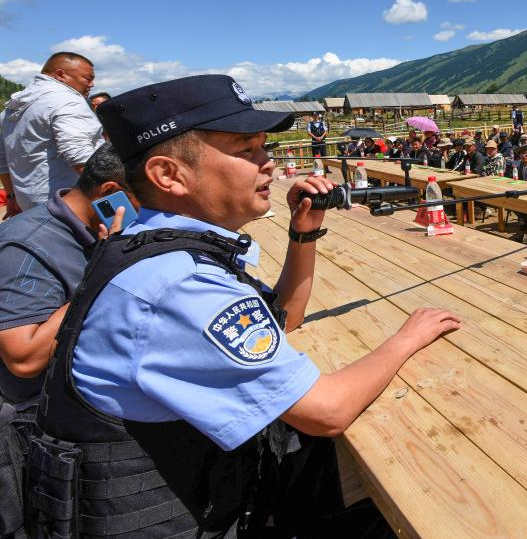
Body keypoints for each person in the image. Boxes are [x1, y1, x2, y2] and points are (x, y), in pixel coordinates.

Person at [24, 75, 462, 537]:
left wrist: (303, 233)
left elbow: (280, 322)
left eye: (264, 148)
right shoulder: (180, 283)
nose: (268, 164)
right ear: (168, 174)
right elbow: (327, 412)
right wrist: (406, 338)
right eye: (245, 150)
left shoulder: (147, 240)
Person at [0, 144, 136, 534]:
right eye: (146, 201)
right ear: (111, 192)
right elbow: (22, 357)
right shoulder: (29, 243)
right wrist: (106, 263)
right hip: (24, 432)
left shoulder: (96, 231)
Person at [0, 52, 104, 216]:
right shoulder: (66, 100)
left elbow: (3, 160)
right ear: (61, 75)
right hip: (68, 206)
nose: (92, 84)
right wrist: (118, 191)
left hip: (29, 205)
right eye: (88, 77)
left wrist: (11, 196)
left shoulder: (10, 109)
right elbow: (81, 157)